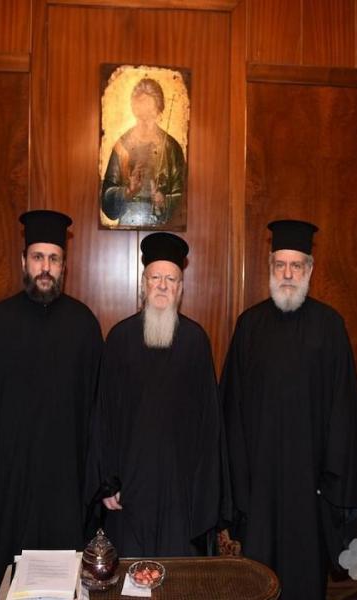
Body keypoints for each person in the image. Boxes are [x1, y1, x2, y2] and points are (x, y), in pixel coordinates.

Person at [0, 210, 103, 600]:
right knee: (7, 579)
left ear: (64, 265)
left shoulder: (84, 326)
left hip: (66, 483)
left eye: (53, 258)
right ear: (23, 261)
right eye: (37, 257)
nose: (45, 267)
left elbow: (100, 412)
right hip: (9, 483)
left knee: (66, 579)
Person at [220, 220, 357, 599]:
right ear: (270, 267)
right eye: (280, 265)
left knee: (306, 580)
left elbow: (344, 413)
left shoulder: (330, 326)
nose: (287, 274)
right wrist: (240, 486)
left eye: (296, 266)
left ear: (310, 269)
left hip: (311, 488)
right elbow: (231, 413)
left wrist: (331, 481)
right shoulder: (249, 326)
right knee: (258, 582)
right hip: (260, 489)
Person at [85, 232, 224, 556]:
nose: (162, 285)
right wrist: (107, 482)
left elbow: (209, 426)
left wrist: (202, 492)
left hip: (180, 490)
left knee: (178, 574)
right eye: (155, 278)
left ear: (181, 288)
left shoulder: (196, 341)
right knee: (130, 571)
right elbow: (104, 417)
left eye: (171, 279)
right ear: (143, 284)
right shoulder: (119, 339)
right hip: (130, 489)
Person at [101, 78, 186, 228]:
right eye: (141, 113)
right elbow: (107, 199)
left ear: (158, 111)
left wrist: (163, 201)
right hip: (126, 226)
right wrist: (127, 192)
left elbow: (184, 198)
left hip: (161, 229)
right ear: (134, 110)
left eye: (149, 113)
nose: (145, 119)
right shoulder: (122, 147)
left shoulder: (171, 148)